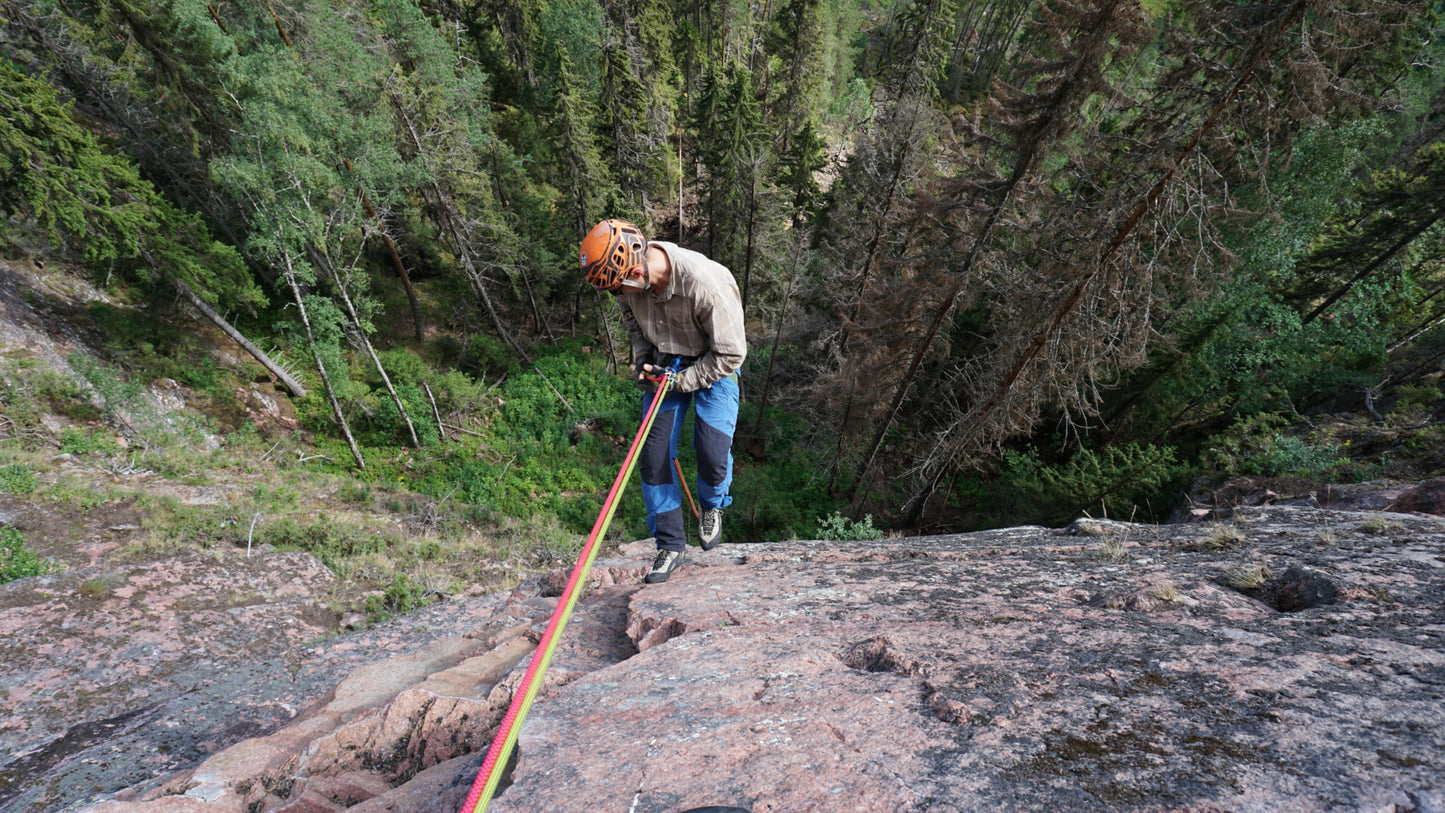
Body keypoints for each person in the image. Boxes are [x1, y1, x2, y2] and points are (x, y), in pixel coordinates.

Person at [579, 219, 746, 584]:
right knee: (653, 456)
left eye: (619, 288)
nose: (619, 295)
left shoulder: (704, 285)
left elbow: (732, 354)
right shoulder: (627, 285)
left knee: (711, 449)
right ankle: (670, 544)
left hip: (713, 364)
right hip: (666, 362)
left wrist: (683, 381)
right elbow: (633, 324)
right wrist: (642, 361)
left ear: (636, 269)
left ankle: (712, 506)